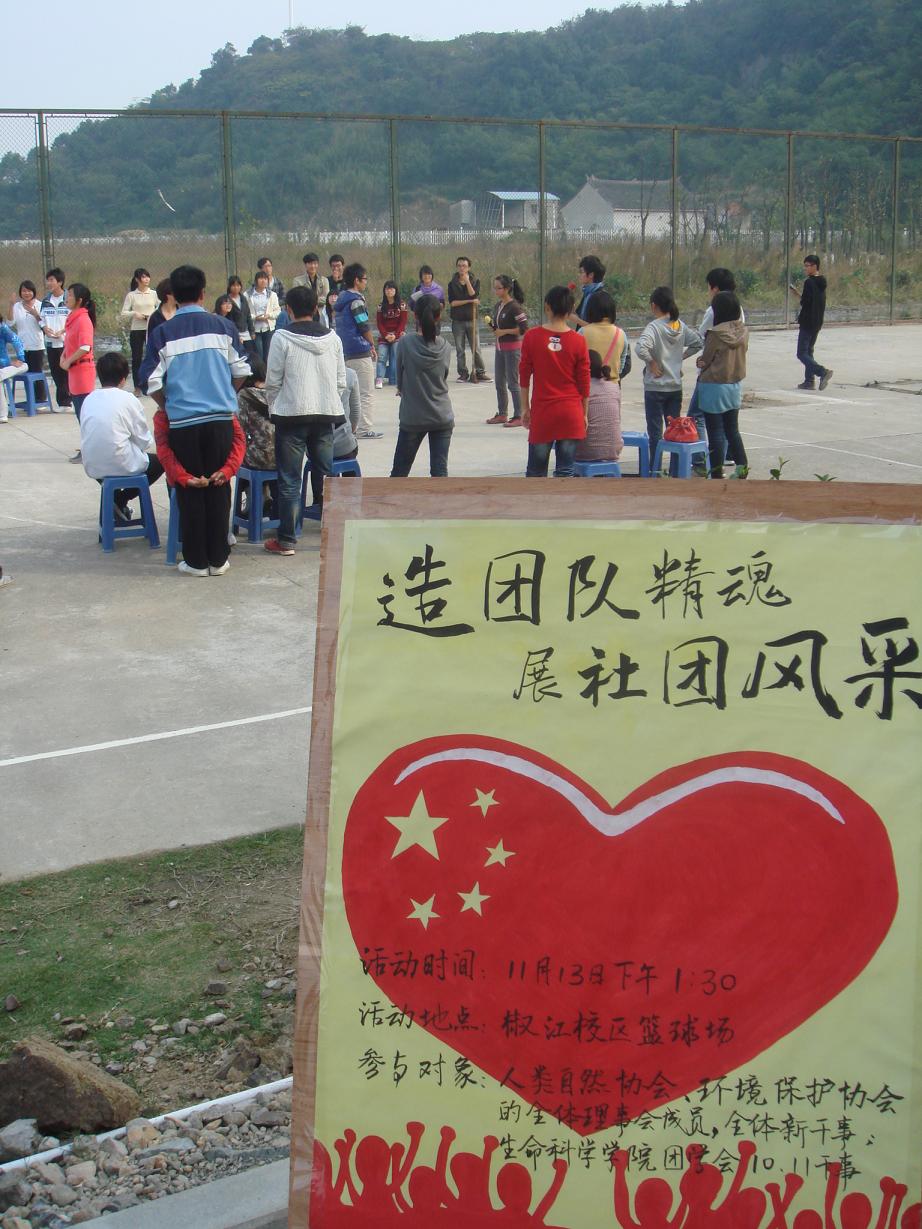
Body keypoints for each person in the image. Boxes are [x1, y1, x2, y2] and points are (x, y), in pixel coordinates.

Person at [139, 264, 251, 577]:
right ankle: (219, 559)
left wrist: (168, 406)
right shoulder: (224, 327)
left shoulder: (162, 333)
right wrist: (225, 395)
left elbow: (149, 380)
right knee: (219, 485)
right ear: (203, 293)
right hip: (220, 421)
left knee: (188, 489)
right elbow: (242, 369)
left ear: (173, 296)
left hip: (183, 423)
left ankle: (196, 562)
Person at [263, 284, 345, 556]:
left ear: (288, 310)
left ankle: (286, 540)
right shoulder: (333, 339)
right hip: (325, 416)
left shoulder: (281, 337)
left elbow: (272, 382)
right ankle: (335, 535)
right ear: (316, 309)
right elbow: (341, 381)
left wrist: (276, 407)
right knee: (327, 476)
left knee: (289, 480)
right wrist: (328, 401)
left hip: (291, 417)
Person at [78, 350, 165, 520]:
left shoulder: (89, 399)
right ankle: (121, 498)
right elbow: (144, 440)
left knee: (110, 465)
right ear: (124, 379)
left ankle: (115, 501)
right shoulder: (128, 399)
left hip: (92, 464)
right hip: (121, 462)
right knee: (160, 462)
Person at [519, 285, 590, 478]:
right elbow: (584, 382)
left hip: (543, 413)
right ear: (571, 309)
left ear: (547, 307)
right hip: (571, 412)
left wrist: (525, 408)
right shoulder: (578, 341)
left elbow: (524, 376)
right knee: (565, 472)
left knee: (536, 473)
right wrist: (584, 413)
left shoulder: (532, 337)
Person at [634, 286, 702, 459]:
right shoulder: (680, 325)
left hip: (655, 387)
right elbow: (698, 343)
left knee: (655, 433)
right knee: (675, 431)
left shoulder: (654, 327)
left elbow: (641, 348)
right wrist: (679, 358)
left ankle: (655, 467)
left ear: (654, 306)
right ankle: (675, 467)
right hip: (674, 387)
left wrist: (651, 362)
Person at [391, 296, 454, 477]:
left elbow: (399, 380)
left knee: (399, 474)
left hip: (413, 416)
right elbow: (443, 376)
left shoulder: (405, 343)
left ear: (415, 315)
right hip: (442, 415)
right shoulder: (445, 346)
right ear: (438, 316)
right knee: (439, 473)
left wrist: (403, 388)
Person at [695, 290, 749, 479]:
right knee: (732, 430)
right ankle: (742, 468)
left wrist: (699, 362)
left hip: (713, 385)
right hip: (734, 384)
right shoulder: (743, 331)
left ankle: (717, 473)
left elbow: (706, 359)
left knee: (715, 431)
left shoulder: (715, 334)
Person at [686, 267, 742, 449]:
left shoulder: (714, 311)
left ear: (715, 288)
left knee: (697, 416)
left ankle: (701, 457)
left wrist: (689, 356)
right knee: (727, 423)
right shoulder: (737, 308)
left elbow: (702, 337)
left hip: (712, 376)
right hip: (731, 373)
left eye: (709, 287)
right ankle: (725, 457)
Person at [334, 263, 380, 439]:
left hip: (345, 352)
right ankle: (363, 429)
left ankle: (348, 427)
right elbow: (363, 326)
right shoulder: (356, 301)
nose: (366, 282)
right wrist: (371, 345)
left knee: (348, 393)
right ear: (356, 280)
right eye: (364, 279)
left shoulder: (341, 299)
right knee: (366, 392)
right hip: (360, 351)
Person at [60, 283, 97, 461]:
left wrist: (68, 360)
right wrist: (63, 356)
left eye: (70, 295)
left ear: (79, 300)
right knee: (80, 412)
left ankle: (89, 451)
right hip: (75, 372)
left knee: (84, 414)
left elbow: (85, 347)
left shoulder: (83, 319)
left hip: (82, 371)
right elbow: (70, 343)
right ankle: (87, 448)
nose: (67, 298)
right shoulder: (73, 318)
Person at [485, 275, 528, 426]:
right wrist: (494, 328)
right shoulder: (498, 305)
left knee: (513, 382)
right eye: (495, 288)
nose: (496, 290)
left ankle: (519, 416)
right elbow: (498, 327)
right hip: (500, 348)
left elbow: (524, 328)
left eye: (499, 288)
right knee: (499, 382)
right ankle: (502, 413)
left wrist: (503, 332)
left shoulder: (515, 306)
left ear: (507, 289)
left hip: (512, 349)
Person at [576, 348, 623, 463]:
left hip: (585, 452)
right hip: (614, 450)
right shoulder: (614, 387)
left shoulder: (580, 390)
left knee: (563, 444)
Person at [795, 255, 832, 390]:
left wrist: (798, 296)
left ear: (815, 266)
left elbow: (805, 303)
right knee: (809, 351)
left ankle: (822, 372)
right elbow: (813, 302)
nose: (805, 268)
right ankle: (809, 381)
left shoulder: (809, 282)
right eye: (805, 265)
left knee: (801, 353)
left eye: (807, 266)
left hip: (808, 322)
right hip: (817, 322)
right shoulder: (821, 282)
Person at [447, 256, 487, 383]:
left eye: (464, 266)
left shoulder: (476, 281)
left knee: (476, 348)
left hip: (472, 319)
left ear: (468, 267)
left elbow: (473, 294)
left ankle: (479, 372)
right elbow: (453, 303)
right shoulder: (452, 284)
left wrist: (467, 281)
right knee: (460, 349)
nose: (461, 268)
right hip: (457, 321)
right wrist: (470, 301)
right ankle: (463, 373)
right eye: (459, 266)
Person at [118, 268, 158, 390]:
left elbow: (160, 307)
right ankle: (138, 386)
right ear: (137, 279)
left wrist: (151, 316)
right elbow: (123, 313)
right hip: (136, 330)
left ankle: (153, 384)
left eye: (147, 276)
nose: (146, 279)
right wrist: (135, 314)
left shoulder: (154, 294)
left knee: (153, 356)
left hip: (151, 329)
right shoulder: (131, 295)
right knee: (137, 358)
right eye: (143, 277)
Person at [580, 290, 630, 385]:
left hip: (588, 386)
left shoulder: (583, 332)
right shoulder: (621, 334)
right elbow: (622, 364)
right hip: (612, 387)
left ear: (590, 310)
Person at [236, 353, 275, 472]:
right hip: (284, 457)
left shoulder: (244, 395)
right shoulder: (276, 390)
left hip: (257, 458)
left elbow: (239, 430)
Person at [10, 281, 48, 403]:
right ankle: (30, 400)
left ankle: (40, 400)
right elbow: (10, 322)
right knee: (26, 373)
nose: (26, 293)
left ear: (33, 292)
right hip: (22, 346)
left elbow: (45, 325)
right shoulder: (17, 306)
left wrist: (35, 314)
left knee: (36, 372)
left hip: (36, 345)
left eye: (29, 291)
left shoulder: (40, 305)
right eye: (24, 291)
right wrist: (11, 305)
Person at [40, 267, 71, 410]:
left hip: (66, 342)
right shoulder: (46, 301)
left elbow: (73, 319)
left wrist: (63, 331)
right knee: (56, 372)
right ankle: (63, 402)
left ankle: (68, 401)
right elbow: (41, 319)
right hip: (51, 342)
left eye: (51, 280)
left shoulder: (68, 299)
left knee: (67, 372)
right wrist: (45, 328)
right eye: (48, 280)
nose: (49, 283)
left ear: (60, 282)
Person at [375, 280, 407, 388]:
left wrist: (395, 335)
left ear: (396, 291)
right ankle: (379, 378)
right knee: (382, 356)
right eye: (387, 289)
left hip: (397, 335)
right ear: (384, 291)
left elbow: (403, 322)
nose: (389, 291)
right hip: (384, 336)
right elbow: (379, 323)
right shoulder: (380, 306)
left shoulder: (402, 305)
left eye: (392, 289)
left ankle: (394, 379)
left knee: (395, 356)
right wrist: (385, 335)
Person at [245, 270, 280, 363]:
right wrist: (255, 317)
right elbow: (245, 312)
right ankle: (260, 371)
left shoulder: (272, 295)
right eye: (261, 278)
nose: (263, 281)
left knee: (268, 354)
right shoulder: (247, 295)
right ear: (256, 281)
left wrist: (269, 315)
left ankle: (267, 371)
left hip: (268, 328)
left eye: (265, 279)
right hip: (254, 328)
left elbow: (277, 310)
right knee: (258, 353)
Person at [0, 315, 27, 424]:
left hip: (6, 366)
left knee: (24, 365)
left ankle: (2, 414)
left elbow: (17, 341)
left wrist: (20, 358)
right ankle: (3, 415)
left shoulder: (3, 328)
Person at [571, 255, 606, 326]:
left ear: (591, 275)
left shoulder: (600, 297)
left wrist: (575, 319)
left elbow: (597, 328)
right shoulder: (587, 293)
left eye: (581, 272)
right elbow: (580, 317)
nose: (579, 275)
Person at [226, 276, 256, 357]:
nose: (236, 288)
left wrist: (252, 331)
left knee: (250, 355)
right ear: (229, 286)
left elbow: (248, 315)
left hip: (246, 333)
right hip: (235, 334)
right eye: (233, 285)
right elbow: (228, 319)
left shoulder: (243, 298)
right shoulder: (227, 300)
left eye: (238, 285)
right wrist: (236, 334)